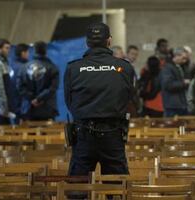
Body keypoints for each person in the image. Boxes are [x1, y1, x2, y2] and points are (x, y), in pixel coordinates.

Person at [64, 23, 134, 198]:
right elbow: (128, 98)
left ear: (87, 43)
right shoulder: (124, 67)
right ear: (109, 41)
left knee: (77, 190)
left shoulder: (73, 68)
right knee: (117, 190)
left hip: (83, 134)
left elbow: (69, 101)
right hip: (113, 134)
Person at [17, 41, 59, 121]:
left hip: (29, 109)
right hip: (47, 109)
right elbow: (53, 88)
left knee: (29, 133)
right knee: (50, 133)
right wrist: (39, 99)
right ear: (46, 51)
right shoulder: (52, 67)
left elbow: (20, 87)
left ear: (34, 50)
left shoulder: (24, 68)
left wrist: (32, 99)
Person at [160, 47, 190, 117]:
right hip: (172, 105)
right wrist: (184, 83)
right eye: (183, 58)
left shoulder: (181, 67)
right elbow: (168, 85)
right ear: (176, 56)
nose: (185, 61)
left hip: (181, 104)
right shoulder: (167, 68)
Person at [10, 43, 30, 122]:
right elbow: (23, 87)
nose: (28, 54)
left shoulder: (10, 65)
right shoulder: (24, 67)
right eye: (28, 52)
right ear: (23, 53)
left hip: (13, 104)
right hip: (22, 106)